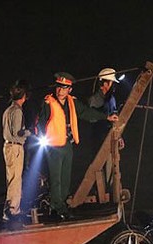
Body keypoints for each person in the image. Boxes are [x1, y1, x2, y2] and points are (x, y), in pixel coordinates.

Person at [36, 72, 118, 220]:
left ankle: (63, 206)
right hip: (53, 146)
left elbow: (86, 112)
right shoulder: (48, 103)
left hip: (67, 145)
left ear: (70, 89)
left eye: (64, 88)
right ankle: (56, 207)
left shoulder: (72, 102)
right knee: (56, 178)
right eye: (59, 87)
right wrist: (43, 141)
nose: (60, 91)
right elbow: (40, 124)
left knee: (66, 177)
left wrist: (106, 117)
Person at [88, 67, 125, 186]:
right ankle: (102, 191)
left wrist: (119, 136)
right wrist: (104, 117)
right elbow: (91, 118)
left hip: (111, 137)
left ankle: (113, 190)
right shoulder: (94, 100)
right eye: (111, 83)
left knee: (113, 164)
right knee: (100, 167)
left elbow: (115, 119)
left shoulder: (111, 99)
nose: (113, 86)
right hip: (99, 138)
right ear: (104, 83)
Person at [2, 80, 31, 221]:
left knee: (10, 178)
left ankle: (9, 208)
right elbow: (18, 132)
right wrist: (30, 133)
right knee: (15, 179)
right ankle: (13, 210)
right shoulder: (17, 111)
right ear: (24, 96)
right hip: (15, 147)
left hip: (7, 146)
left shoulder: (8, 110)